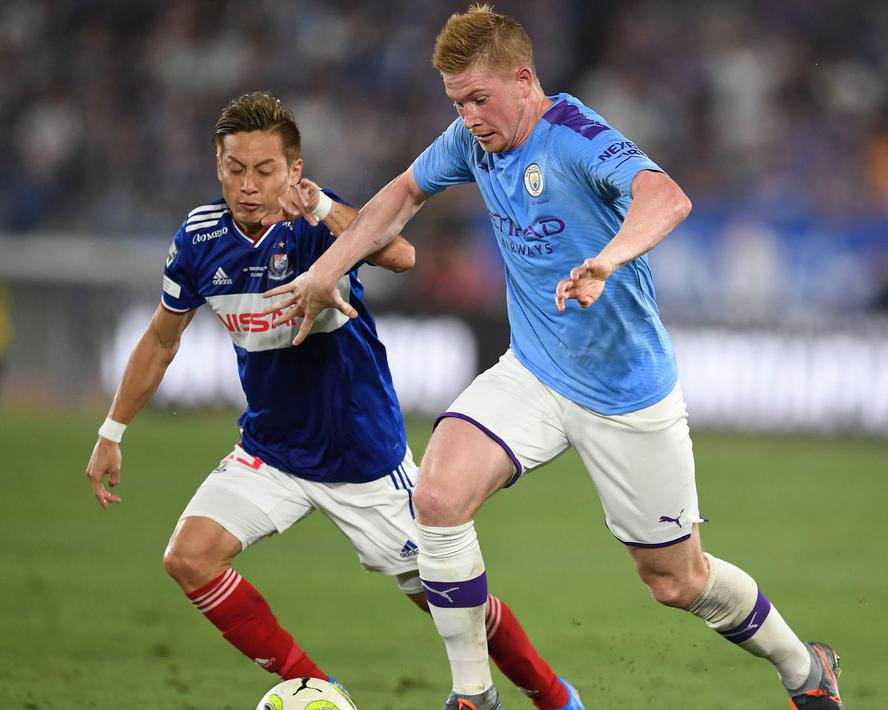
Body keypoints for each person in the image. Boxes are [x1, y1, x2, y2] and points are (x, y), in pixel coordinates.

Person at [264, 6, 843, 709]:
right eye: (457, 102)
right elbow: (402, 196)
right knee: (438, 496)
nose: (469, 117)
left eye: (479, 99)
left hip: (626, 392)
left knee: (675, 581)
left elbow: (667, 197)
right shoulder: (473, 141)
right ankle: (473, 694)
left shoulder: (575, 137)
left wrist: (605, 260)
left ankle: (804, 668)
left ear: (523, 79)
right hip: (535, 371)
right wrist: (330, 267)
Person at [83, 91, 583, 710]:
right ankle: (316, 689)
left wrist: (321, 207)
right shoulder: (199, 239)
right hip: (272, 451)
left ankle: (555, 697)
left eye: (265, 170)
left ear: (294, 171)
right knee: (189, 558)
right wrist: (113, 430)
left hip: (364, 459)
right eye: (235, 169)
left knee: (458, 604)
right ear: (218, 168)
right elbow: (162, 339)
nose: (249, 185)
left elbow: (402, 256)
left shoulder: (319, 224)